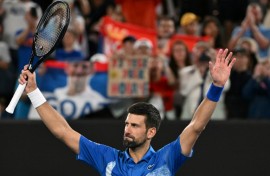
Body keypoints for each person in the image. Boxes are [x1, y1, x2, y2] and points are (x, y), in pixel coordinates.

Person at [18, 49, 235, 175]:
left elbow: (196, 126)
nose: (127, 129)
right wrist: (34, 91)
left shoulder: (167, 158)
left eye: (134, 125)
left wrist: (216, 86)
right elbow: (63, 131)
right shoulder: (108, 159)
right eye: (126, 124)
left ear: (151, 132)